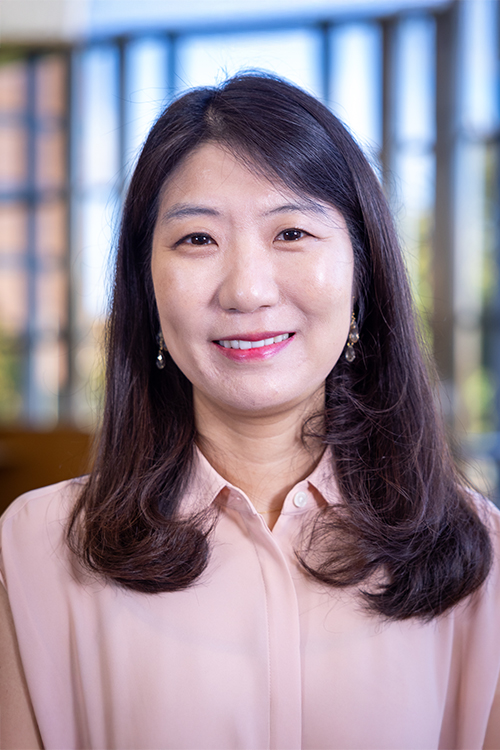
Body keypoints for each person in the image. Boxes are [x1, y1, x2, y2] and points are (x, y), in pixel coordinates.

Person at [1, 73, 500, 750]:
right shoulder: (36, 548)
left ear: (362, 271)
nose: (246, 290)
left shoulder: (477, 552)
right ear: (146, 289)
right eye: (197, 240)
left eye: (290, 231)